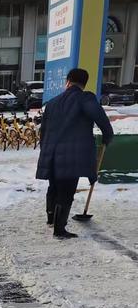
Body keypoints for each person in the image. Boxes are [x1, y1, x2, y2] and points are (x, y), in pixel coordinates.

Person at [36, 68, 114, 239]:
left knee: (54, 186)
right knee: (66, 191)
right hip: (73, 154)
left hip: (52, 152)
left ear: (68, 81)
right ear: (83, 84)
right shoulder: (85, 99)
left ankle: (51, 219)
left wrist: (45, 149)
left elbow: (44, 130)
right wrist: (108, 136)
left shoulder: (53, 102)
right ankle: (59, 229)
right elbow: (101, 119)